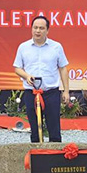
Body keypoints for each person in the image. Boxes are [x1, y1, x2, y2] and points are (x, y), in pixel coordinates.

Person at [13, 15, 70, 143]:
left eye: (41, 28)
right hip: (31, 93)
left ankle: (54, 158)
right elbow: (17, 68)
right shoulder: (23, 47)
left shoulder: (56, 47)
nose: (38, 31)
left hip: (51, 93)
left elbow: (63, 69)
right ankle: (37, 156)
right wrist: (27, 76)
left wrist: (66, 91)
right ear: (31, 29)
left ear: (47, 31)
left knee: (54, 127)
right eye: (35, 28)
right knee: (34, 127)